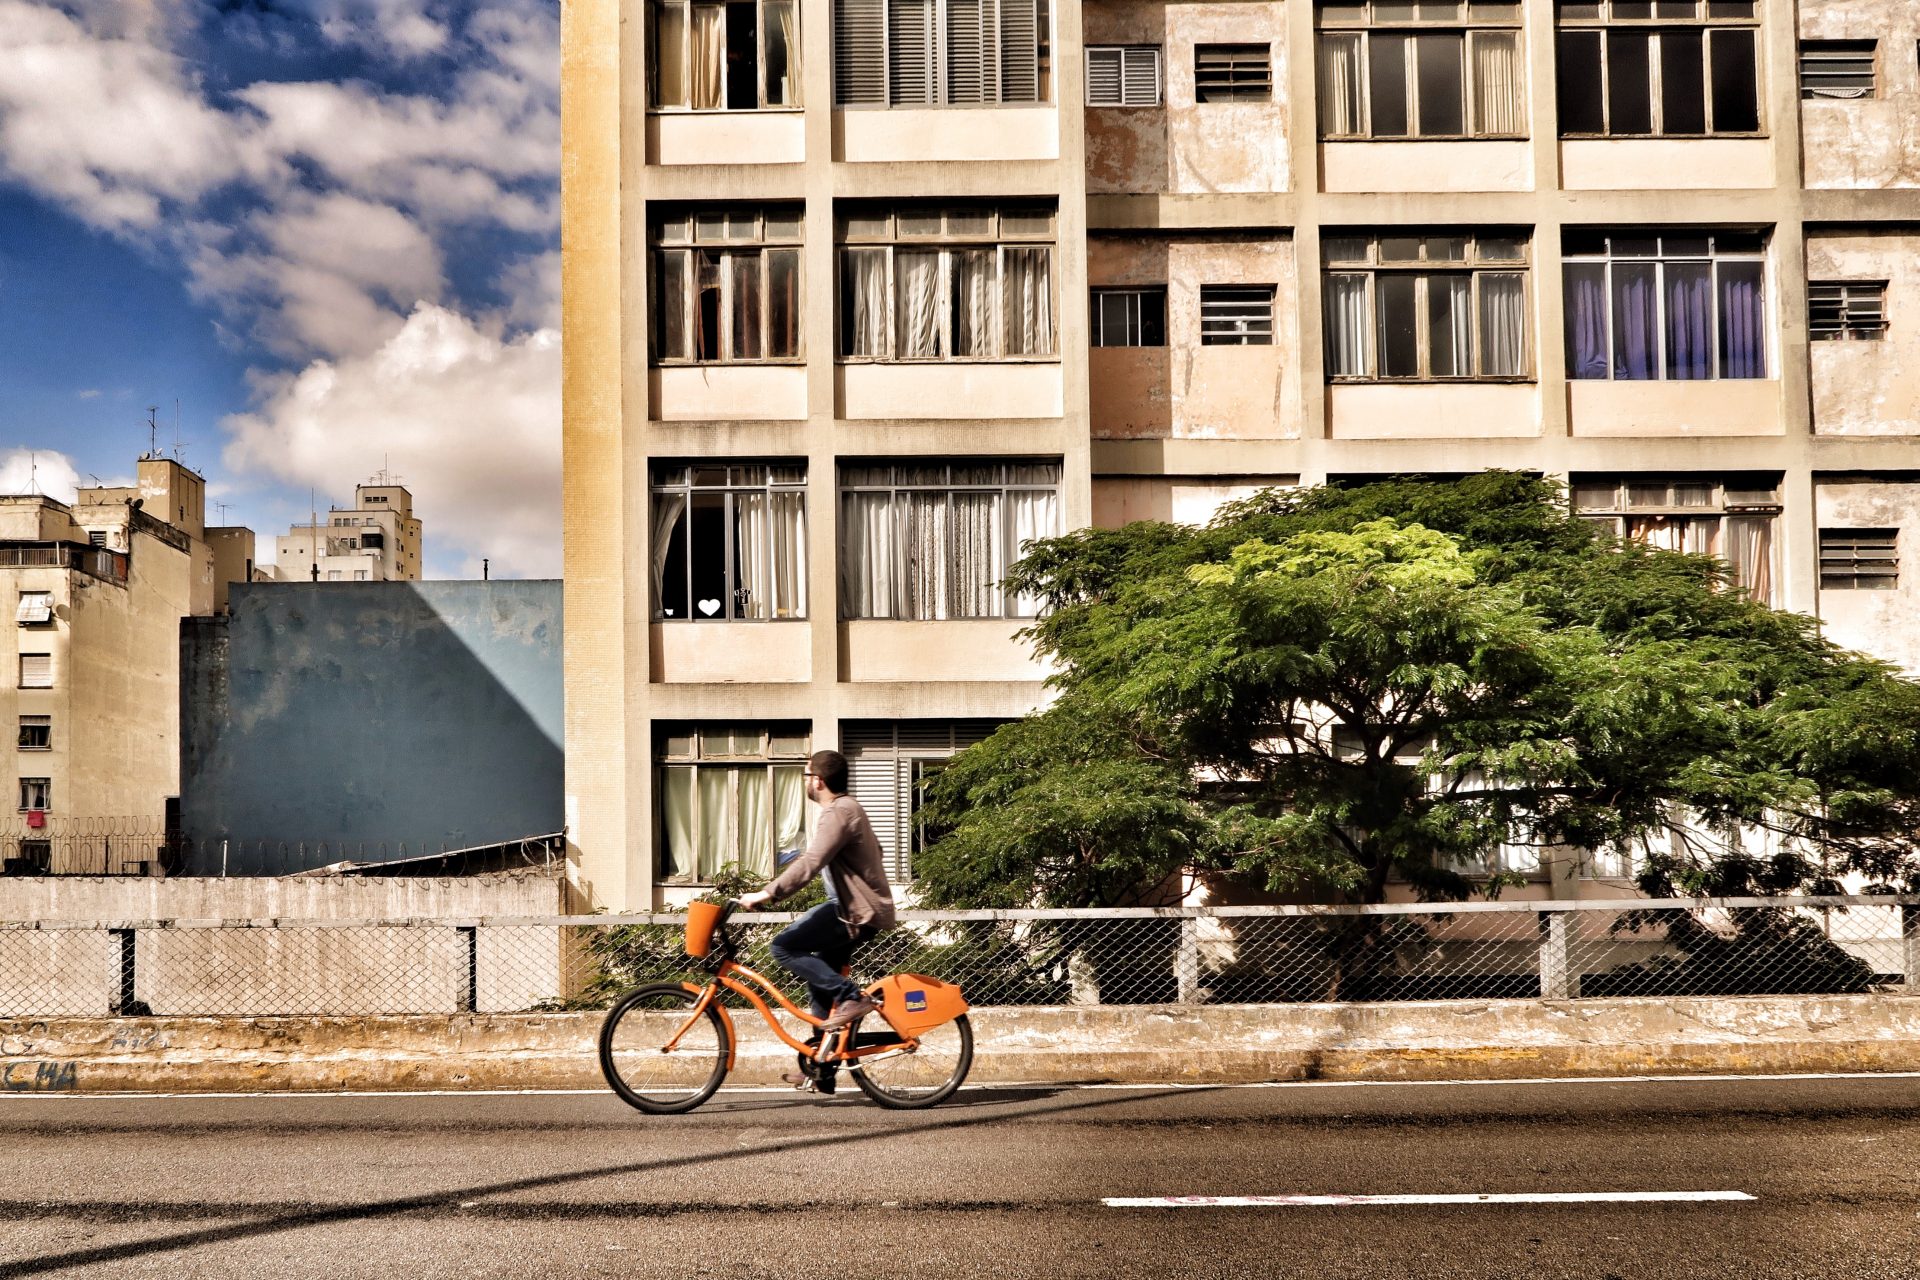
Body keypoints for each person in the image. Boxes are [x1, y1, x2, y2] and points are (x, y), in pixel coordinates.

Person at [736, 749, 896, 1092]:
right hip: (852, 906)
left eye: (807, 775)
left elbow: (811, 862)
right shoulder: (847, 810)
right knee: (818, 977)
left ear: (818, 780)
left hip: (853, 910)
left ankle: (852, 997)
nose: (805, 781)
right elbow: (874, 853)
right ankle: (822, 1064)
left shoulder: (839, 812)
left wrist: (766, 894)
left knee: (783, 947)